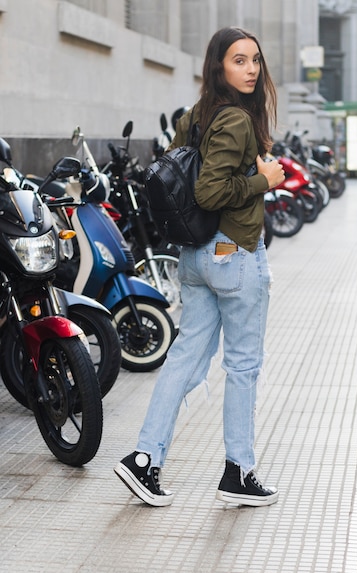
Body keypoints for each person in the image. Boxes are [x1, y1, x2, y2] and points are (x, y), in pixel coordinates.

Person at [114, 26, 285, 508]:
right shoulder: (236, 120)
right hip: (233, 254)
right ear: (218, 67)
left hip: (194, 256)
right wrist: (263, 181)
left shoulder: (195, 117)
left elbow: (182, 180)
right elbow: (211, 191)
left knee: (185, 357)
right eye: (239, 60)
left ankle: (144, 460)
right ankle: (239, 472)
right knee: (243, 366)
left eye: (255, 60)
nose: (251, 69)